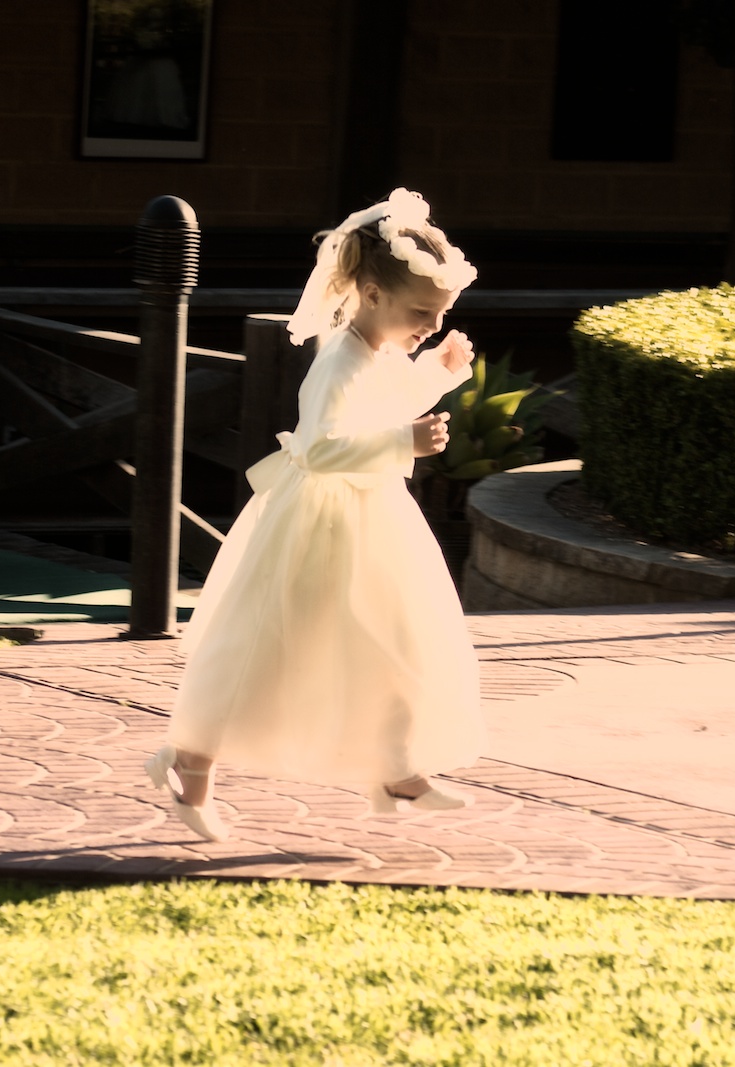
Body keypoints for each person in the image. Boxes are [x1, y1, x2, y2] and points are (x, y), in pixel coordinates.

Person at [146, 188, 485, 841]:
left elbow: (386, 394)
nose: (430, 326)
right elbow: (323, 445)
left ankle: (397, 768)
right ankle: (189, 767)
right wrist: (403, 442)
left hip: (373, 519)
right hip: (318, 524)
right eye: (422, 313)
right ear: (372, 293)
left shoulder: (378, 348)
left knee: (398, 636)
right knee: (264, 649)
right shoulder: (337, 358)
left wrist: (436, 373)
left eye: (440, 316)